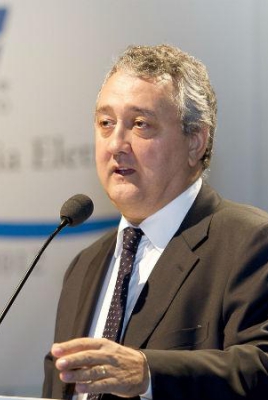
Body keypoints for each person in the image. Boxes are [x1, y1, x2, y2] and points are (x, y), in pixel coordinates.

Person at [42, 44, 268, 400]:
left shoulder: (249, 242)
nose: (116, 144)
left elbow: (261, 367)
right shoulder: (84, 267)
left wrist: (149, 373)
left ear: (195, 141)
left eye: (140, 124)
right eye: (105, 123)